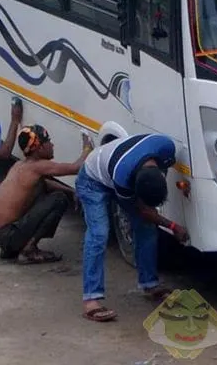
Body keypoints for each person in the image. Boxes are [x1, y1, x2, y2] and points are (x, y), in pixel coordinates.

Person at [76, 133, 190, 323]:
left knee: (146, 227)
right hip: (92, 181)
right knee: (99, 234)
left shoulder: (166, 148)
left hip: (115, 169)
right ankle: (91, 300)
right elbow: (143, 211)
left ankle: (150, 284)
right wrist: (172, 226)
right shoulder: (123, 177)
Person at [0, 124, 93, 264]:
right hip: (6, 234)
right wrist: (87, 147)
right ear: (40, 147)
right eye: (48, 141)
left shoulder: (20, 165)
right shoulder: (38, 166)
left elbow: (44, 184)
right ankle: (28, 250)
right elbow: (76, 168)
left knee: (46, 191)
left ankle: (12, 247)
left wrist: (71, 191)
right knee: (59, 200)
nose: (52, 145)